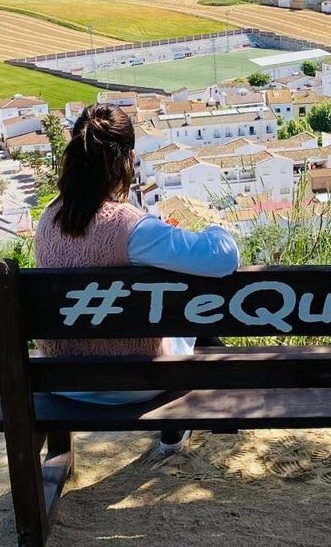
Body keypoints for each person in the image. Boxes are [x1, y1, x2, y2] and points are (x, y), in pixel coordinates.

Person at [34, 103, 239, 454]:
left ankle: (184, 428)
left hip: (63, 379)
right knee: (192, 314)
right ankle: (191, 427)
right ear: (127, 159)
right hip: (135, 383)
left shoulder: (47, 220)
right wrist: (215, 226)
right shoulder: (129, 228)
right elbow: (223, 257)